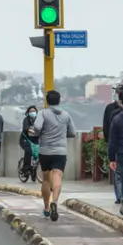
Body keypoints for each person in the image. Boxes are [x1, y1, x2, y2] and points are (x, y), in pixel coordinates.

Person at [33, 90, 77, 221]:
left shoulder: (43, 113)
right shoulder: (66, 115)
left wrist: (38, 133)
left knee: (46, 179)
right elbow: (73, 133)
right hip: (60, 151)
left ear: (47, 101)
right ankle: (55, 201)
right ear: (59, 101)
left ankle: (46, 208)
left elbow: (37, 126)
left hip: (45, 151)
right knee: (57, 176)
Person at [103, 84, 123, 205]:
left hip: (117, 145)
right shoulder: (110, 108)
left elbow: (106, 127)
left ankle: (121, 197)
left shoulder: (112, 110)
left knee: (118, 173)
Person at [19, 106, 40, 176]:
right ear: (28, 112)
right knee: (29, 151)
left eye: (34, 111)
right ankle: (25, 169)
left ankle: (34, 169)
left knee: (39, 154)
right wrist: (30, 130)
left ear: (36, 112)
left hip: (35, 140)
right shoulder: (26, 119)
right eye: (30, 111)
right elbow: (26, 127)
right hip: (25, 139)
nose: (32, 112)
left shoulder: (39, 120)